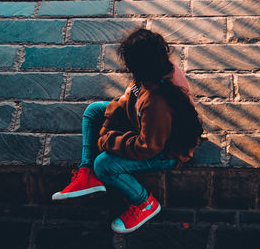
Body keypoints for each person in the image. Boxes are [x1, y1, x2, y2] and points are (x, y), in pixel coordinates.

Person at [51, 28, 204, 234]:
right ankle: (87, 174)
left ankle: (144, 203)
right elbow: (127, 100)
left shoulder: (156, 102)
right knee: (94, 111)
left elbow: (147, 147)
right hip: (147, 127)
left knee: (104, 164)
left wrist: (110, 140)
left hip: (165, 150)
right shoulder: (152, 74)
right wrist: (110, 122)